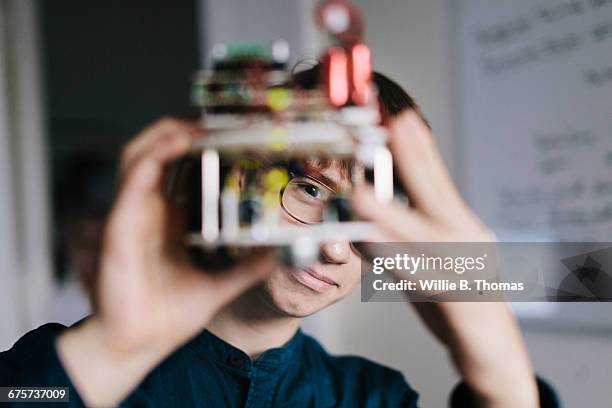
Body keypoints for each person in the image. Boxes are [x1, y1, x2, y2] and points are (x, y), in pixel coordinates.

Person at [0, 69, 558, 407]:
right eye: (310, 191)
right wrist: (108, 355)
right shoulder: (68, 367)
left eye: (368, 216)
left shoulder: (374, 398)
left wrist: (505, 387)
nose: (336, 248)